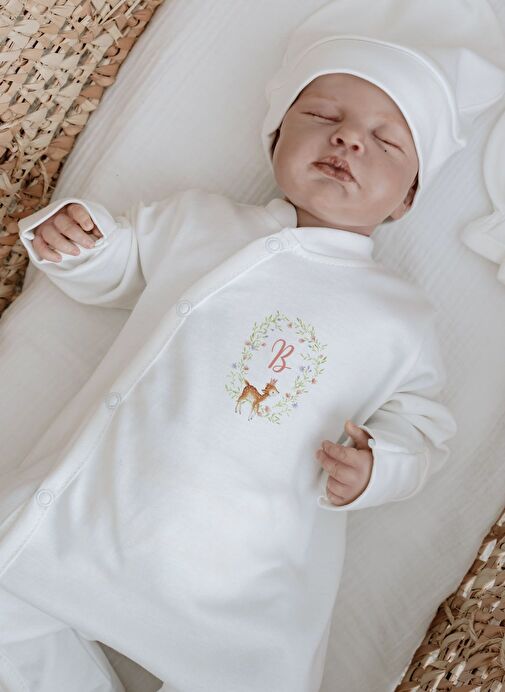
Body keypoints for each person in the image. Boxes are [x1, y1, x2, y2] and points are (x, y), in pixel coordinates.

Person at [2, 0, 504, 689]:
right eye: (322, 116)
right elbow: (121, 269)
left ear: (405, 200)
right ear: (274, 142)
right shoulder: (200, 221)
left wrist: (377, 467)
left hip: (240, 588)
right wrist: (81, 243)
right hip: (95, 520)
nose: (348, 139)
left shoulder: (398, 316)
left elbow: (420, 427)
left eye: (387, 141)